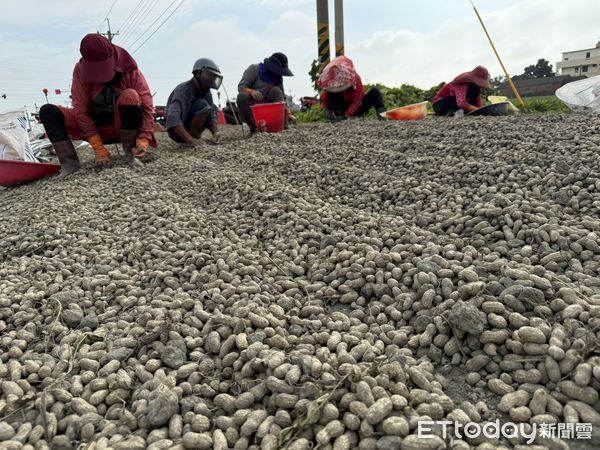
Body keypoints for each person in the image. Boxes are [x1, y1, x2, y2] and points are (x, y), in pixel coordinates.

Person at [39, 33, 155, 179]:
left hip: (122, 126)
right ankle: (70, 165)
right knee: (48, 111)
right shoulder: (80, 70)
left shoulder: (129, 68)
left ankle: (129, 154)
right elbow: (80, 110)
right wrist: (98, 149)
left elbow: (147, 105)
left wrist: (144, 138)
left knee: (131, 96)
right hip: (95, 129)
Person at [165, 58, 223, 146]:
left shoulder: (206, 92)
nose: (211, 80)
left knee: (210, 107)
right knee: (202, 105)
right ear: (197, 74)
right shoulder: (183, 90)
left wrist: (216, 132)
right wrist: (190, 140)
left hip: (190, 127)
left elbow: (211, 114)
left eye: (213, 77)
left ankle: (194, 136)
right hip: (176, 132)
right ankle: (191, 137)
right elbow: (173, 118)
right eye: (208, 76)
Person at [237, 52, 294, 133]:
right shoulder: (254, 69)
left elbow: (282, 99)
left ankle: (282, 126)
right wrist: (252, 92)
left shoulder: (278, 78)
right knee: (241, 97)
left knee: (277, 91)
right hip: (253, 105)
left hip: (269, 106)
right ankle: (254, 128)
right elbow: (241, 87)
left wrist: (288, 114)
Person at [318, 56, 386, 120]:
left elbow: (356, 101)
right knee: (331, 95)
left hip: (357, 107)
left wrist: (347, 115)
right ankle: (339, 117)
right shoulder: (331, 82)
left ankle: (382, 116)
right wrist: (326, 110)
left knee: (375, 92)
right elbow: (325, 99)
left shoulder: (356, 79)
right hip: (341, 108)